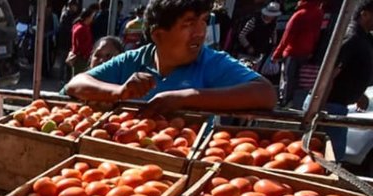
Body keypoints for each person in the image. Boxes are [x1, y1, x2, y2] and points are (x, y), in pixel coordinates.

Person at [64, 0, 277, 114]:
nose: (201, 31)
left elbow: (265, 94)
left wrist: (186, 98)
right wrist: (119, 92)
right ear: (158, 35)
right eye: (189, 23)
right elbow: (76, 83)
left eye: (203, 21)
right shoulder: (134, 60)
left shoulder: (212, 62)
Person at [306, 0, 373, 160]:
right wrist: (319, 107)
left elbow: (353, 70)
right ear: (364, 14)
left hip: (338, 105)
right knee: (328, 158)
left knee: (332, 156)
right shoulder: (351, 37)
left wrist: (359, 93)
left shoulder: (364, 39)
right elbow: (331, 72)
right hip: (329, 105)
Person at [272, 0, 324, 107]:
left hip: (292, 51)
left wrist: (277, 54)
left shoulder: (299, 15)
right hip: (306, 51)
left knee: (288, 78)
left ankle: (286, 101)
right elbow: (317, 35)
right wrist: (312, 50)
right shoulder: (319, 13)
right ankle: (297, 103)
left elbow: (287, 36)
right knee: (301, 80)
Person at [68, 5, 99, 77]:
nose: (92, 19)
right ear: (87, 18)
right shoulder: (82, 28)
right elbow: (81, 45)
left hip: (80, 57)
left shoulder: (78, 26)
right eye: (92, 17)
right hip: (82, 58)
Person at [56, 1, 82, 82]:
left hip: (70, 42)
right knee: (64, 61)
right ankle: (61, 78)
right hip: (65, 42)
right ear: (70, 6)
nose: (75, 8)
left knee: (68, 62)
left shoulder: (75, 15)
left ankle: (67, 79)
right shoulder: (66, 15)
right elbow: (65, 29)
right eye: (74, 6)